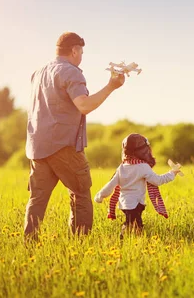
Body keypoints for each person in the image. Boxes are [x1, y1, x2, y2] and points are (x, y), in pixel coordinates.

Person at [24, 32, 126, 241]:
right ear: (74, 51)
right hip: (63, 145)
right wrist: (111, 87)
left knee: (37, 199)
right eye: (81, 52)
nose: (81, 56)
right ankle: (80, 244)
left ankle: (29, 244)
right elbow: (84, 105)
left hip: (36, 146)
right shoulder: (71, 72)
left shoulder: (38, 73)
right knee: (80, 192)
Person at [94, 133, 181, 239]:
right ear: (143, 151)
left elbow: (111, 184)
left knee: (132, 223)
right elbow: (158, 181)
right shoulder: (143, 167)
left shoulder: (122, 167)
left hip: (124, 204)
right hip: (135, 204)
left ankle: (129, 238)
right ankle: (126, 240)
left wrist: (100, 196)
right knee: (135, 226)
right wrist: (172, 173)